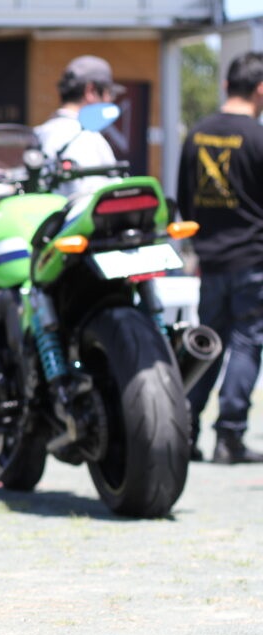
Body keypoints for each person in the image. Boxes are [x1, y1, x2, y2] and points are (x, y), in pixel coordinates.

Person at [176, 51, 263, 465]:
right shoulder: (258, 138)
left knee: (207, 345)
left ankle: (185, 430)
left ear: (226, 85)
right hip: (252, 260)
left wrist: (201, 245)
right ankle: (229, 437)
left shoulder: (196, 134)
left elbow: (184, 199)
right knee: (247, 343)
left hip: (209, 261)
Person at [34, 55, 124, 196]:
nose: (110, 100)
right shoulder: (88, 139)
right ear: (91, 91)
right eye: (109, 93)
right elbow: (98, 198)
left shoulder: (39, 133)